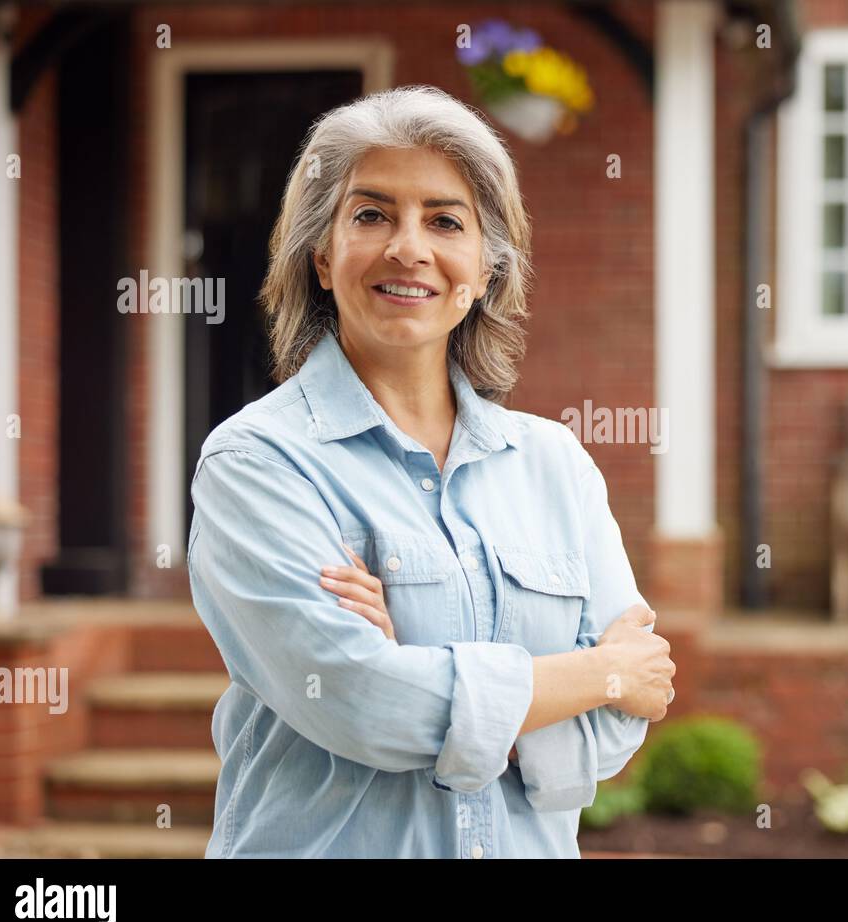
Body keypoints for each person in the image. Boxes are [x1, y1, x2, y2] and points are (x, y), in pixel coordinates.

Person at [187, 84, 675, 858]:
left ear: (485, 269)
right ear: (321, 256)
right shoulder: (257, 463)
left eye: (445, 221)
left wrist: (426, 679)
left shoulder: (556, 466)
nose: (408, 247)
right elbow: (360, 699)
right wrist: (598, 674)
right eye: (372, 215)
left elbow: (617, 734)